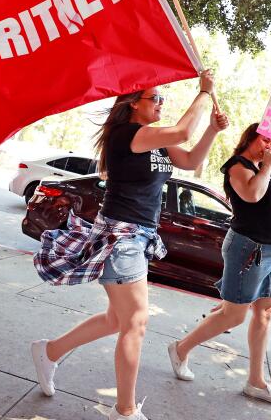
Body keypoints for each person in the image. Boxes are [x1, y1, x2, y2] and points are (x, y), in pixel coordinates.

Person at [31, 71, 228, 420]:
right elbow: (183, 130)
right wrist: (203, 92)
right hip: (122, 236)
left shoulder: (153, 140)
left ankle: (48, 352)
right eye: (156, 98)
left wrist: (212, 130)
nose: (161, 104)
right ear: (133, 103)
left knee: (115, 320)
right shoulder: (128, 135)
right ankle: (124, 411)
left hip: (138, 236)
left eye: (163, 99)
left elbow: (191, 161)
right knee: (135, 322)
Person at [167, 122, 271, 408]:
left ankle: (256, 381)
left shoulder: (264, 167)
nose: (269, 144)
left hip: (270, 250)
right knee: (233, 315)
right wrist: (269, 166)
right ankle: (180, 349)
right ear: (250, 138)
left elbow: (270, 201)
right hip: (248, 250)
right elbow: (252, 195)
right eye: (264, 138)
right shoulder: (237, 166)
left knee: (265, 311)